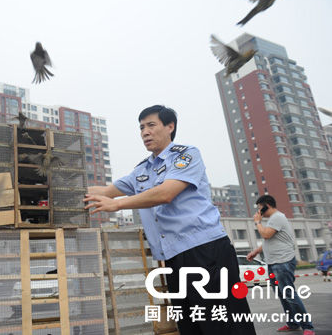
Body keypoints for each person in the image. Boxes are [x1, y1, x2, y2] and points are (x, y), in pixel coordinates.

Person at [84, 105, 255, 334]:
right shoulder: (141, 170)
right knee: (191, 325)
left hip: (205, 251)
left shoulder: (186, 154)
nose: (145, 132)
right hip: (173, 258)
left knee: (223, 324)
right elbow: (105, 191)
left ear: (170, 127)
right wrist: (62, 186)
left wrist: (117, 204)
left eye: (151, 125)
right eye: (142, 127)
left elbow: (166, 193)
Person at [247, 195, 315, 334]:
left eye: (260, 208)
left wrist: (257, 222)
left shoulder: (277, 217)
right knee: (282, 295)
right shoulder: (273, 220)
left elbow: (266, 235)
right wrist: (255, 252)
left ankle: (307, 326)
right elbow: (269, 240)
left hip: (282, 261)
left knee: (289, 294)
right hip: (273, 262)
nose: (259, 212)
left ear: (267, 205)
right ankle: (292, 323)